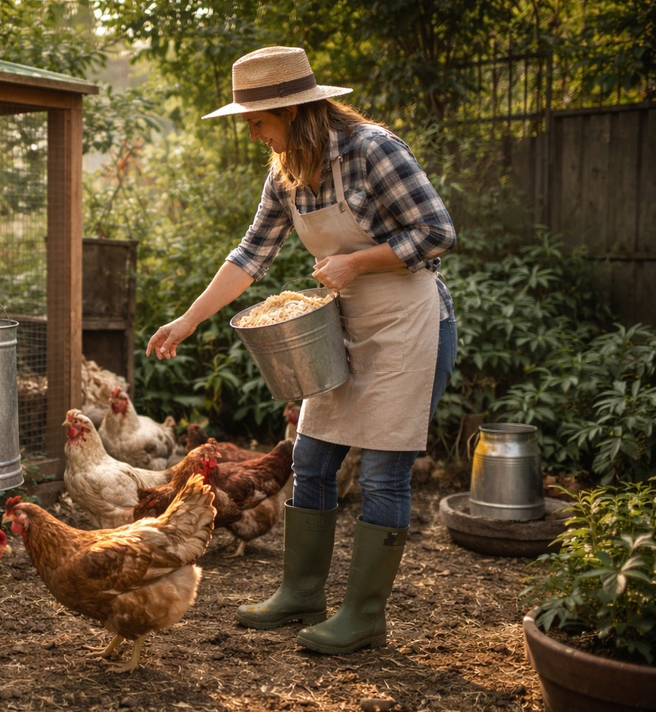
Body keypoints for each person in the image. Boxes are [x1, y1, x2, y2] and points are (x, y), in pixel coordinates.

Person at [145, 47, 457, 655]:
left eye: (257, 120)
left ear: (290, 110)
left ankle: (364, 615)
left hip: (409, 323)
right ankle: (301, 593)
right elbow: (249, 256)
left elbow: (437, 231)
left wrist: (357, 261)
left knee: (384, 472)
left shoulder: (372, 149)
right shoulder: (286, 171)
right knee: (311, 461)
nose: (253, 132)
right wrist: (187, 320)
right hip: (342, 326)